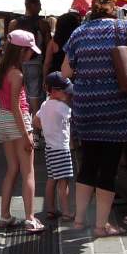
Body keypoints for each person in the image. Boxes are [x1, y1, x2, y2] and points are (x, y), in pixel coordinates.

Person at [61, 0, 127, 237]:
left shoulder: (78, 33)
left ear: (92, 12)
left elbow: (65, 71)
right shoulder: (125, 27)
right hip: (116, 109)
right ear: (113, 10)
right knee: (108, 168)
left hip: (86, 108)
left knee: (88, 164)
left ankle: (79, 220)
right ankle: (100, 225)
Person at [0, 30, 43, 232]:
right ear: (22, 51)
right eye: (29, 51)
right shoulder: (17, 74)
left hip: (4, 120)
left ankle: (5, 215)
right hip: (18, 121)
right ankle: (30, 218)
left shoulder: (2, 71)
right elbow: (17, 106)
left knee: (12, 170)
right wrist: (26, 135)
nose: (32, 54)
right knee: (28, 172)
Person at [36, 72, 75, 223]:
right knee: (63, 182)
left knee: (51, 179)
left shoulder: (45, 104)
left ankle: (51, 208)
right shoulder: (62, 107)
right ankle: (66, 212)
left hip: (50, 148)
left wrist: (47, 129)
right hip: (61, 148)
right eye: (64, 91)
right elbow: (73, 117)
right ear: (53, 91)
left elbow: (36, 121)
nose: (67, 94)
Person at [12, 0, 52, 114]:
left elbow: (10, 47)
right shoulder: (43, 24)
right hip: (36, 62)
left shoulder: (14, 23)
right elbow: (48, 45)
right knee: (36, 94)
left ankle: (24, 120)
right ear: (32, 5)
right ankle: (36, 125)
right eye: (39, 4)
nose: (40, 7)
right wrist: (47, 67)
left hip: (18, 64)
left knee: (19, 92)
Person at [45, 0, 84, 77]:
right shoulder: (79, 41)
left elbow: (47, 63)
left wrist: (44, 79)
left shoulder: (53, 42)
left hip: (56, 77)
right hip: (74, 77)